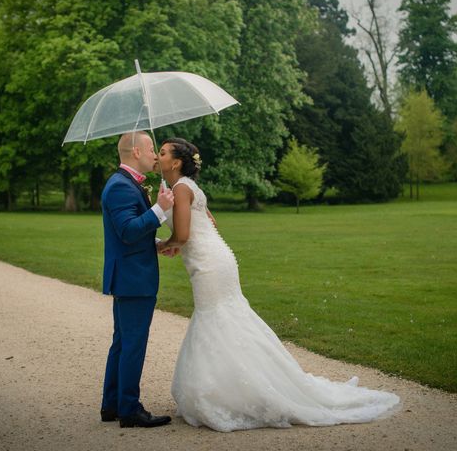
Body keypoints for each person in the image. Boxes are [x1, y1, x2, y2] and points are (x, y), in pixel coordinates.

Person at [157, 137, 400, 432]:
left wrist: (163, 244)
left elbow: (183, 235)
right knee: (225, 319)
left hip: (209, 265)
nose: (158, 157)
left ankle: (240, 392)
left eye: (163, 152)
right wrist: (176, 237)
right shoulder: (182, 189)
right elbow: (208, 225)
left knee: (217, 319)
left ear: (177, 162)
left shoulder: (181, 188)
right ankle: (236, 387)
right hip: (214, 259)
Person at [100, 131, 174, 428]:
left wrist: (155, 242)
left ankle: (112, 404)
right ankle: (129, 409)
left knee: (122, 342)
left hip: (130, 275)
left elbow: (131, 234)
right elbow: (128, 231)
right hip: (134, 279)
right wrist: (160, 209)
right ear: (135, 152)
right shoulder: (120, 186)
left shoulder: (127, 184)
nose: (156, 155)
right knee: (132, 344)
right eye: (151, 149)